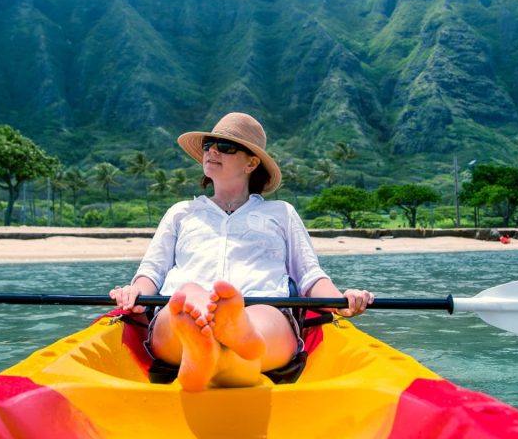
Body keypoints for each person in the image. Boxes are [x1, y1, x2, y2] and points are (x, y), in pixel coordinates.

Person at [110, 112, 374, 392]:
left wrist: (341, 300)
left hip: (265, 310)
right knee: (188, 296)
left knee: (259, 317)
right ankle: (220, 349)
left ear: (251, 163)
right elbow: (152, 272)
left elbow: (309, 276)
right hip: (180, 313)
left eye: (225, 147)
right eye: (208, 145)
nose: (212, 151)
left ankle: (221, 344)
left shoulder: (281, 213)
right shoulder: (181, 213)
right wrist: (134, 292)